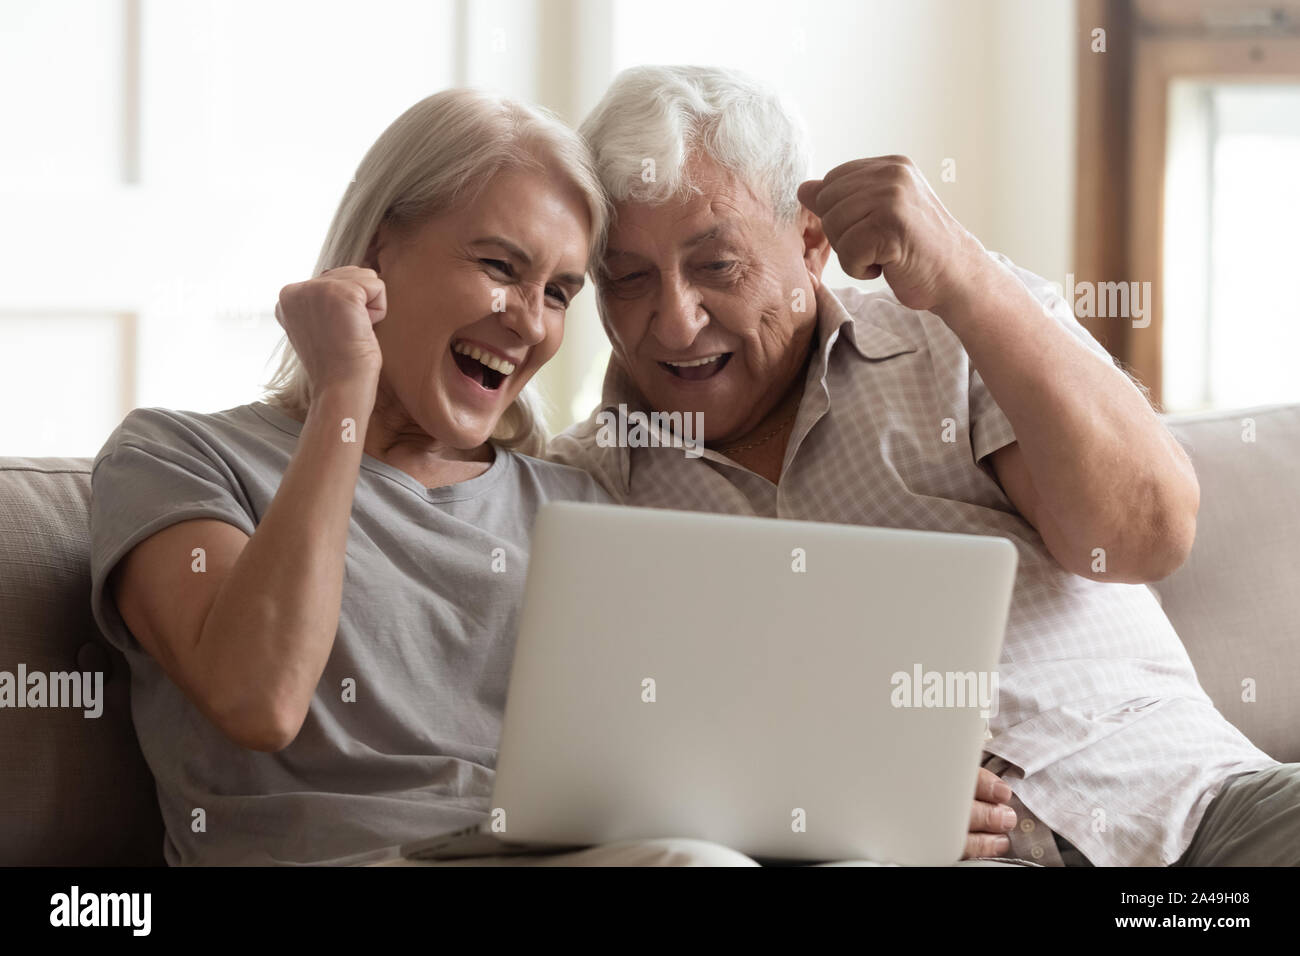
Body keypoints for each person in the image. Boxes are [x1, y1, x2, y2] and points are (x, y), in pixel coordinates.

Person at [550, 65, 1297, 866]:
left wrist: (968, 277)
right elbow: (581, 771)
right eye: (626, 279)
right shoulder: (585, 495)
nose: (674, 320)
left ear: (810, 241)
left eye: (717, 266)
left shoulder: (953, 334)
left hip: (1197, 811)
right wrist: (826, 794)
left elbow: (1143, 535)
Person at [88, 88, 641, 865]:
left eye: (558, 293)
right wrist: (345, 390)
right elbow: (260, 697)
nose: (528, 320)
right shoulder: (174, 457)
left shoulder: (580, 510)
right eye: (498, 266)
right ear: (378, 256)